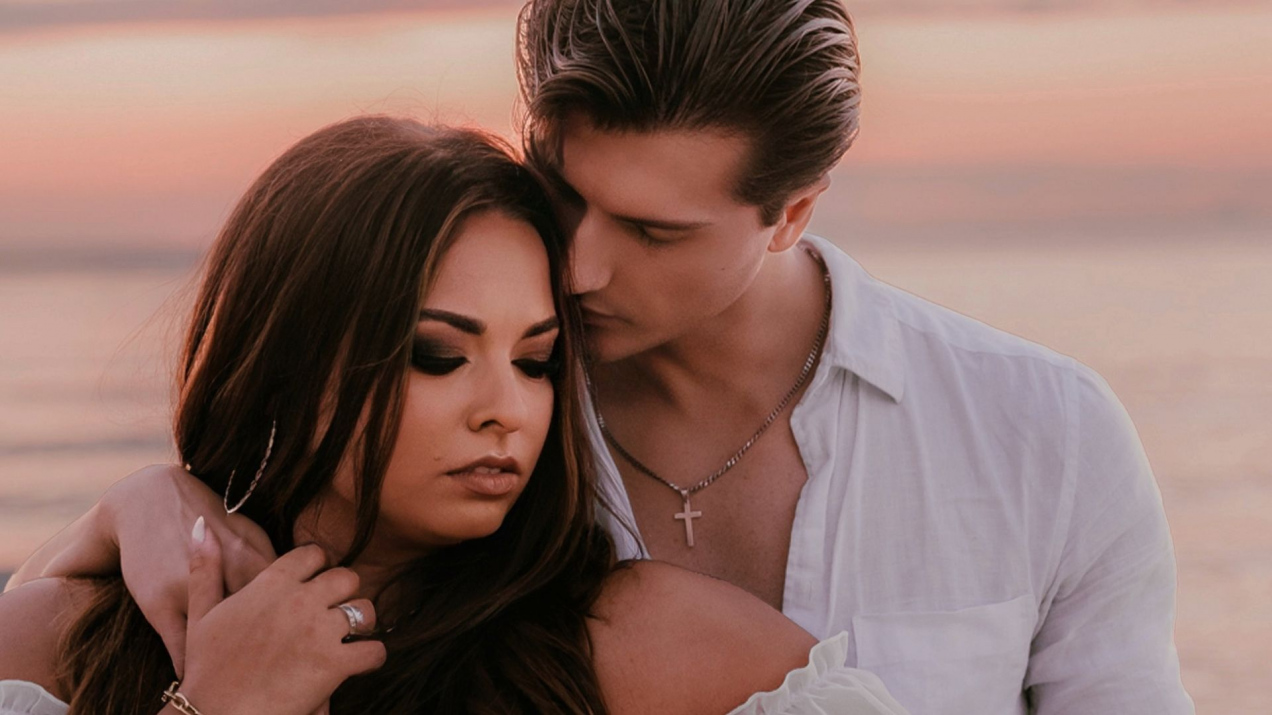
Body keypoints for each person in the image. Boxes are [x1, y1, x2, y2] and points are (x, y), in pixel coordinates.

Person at [12, 0, 1194, 712]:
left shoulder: (1040, 437)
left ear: (790, 214)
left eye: (652, 231)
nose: (576, 268)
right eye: (563, 192)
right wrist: (137, 518)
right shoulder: (478, 415)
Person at [0, 117, 907, 715]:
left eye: (536, 362)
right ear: (287, 357)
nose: (506, 411)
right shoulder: (59, 645)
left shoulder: (658, 649)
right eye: (438, 354)